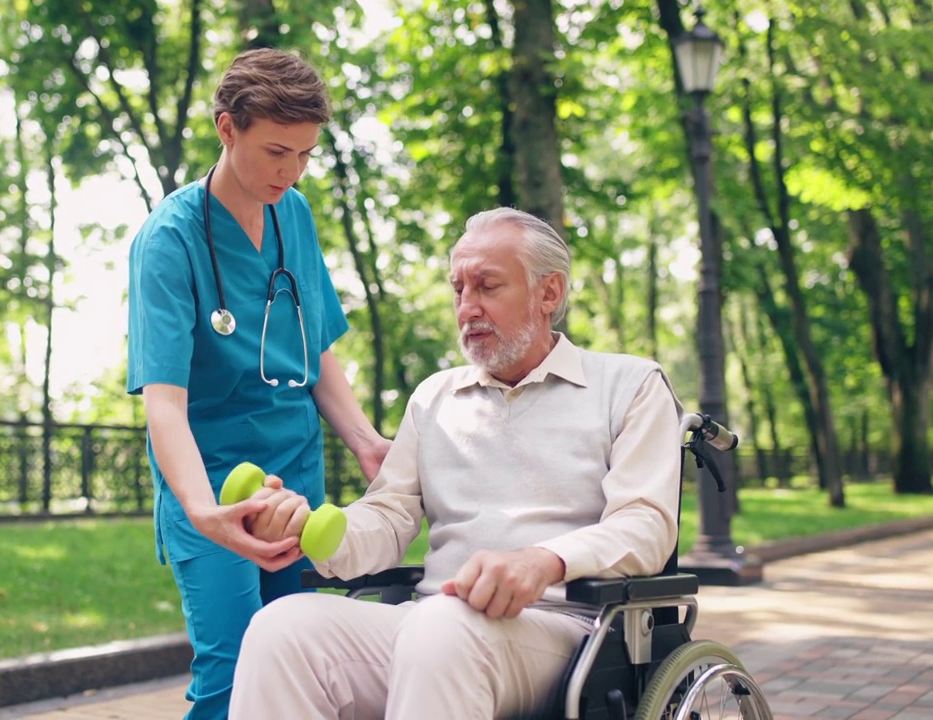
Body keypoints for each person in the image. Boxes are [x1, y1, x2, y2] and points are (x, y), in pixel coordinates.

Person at [228, 207, 684, 719]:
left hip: (569, 630)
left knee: (442, 627)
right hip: (435, 623)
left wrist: (541, 560)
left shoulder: (629, 386)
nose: (467, 308)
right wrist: (311, 529)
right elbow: (390, 514)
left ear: (549, 293)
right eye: (458, 289)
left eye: (488, 286)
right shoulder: (434, 397)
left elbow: (645, 526)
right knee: (281, 628)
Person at [126, 48, 391, 719]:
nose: (290, 171)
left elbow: (316, 348)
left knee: (295, 673)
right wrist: (200, 507)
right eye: (277, 151)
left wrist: (363, 440)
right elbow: (164, 404)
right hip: (212, 479)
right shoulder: (170, 242)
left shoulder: (292, 214)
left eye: (304, 155)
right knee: (230, 675)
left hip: (294, 476)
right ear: (227, 128)